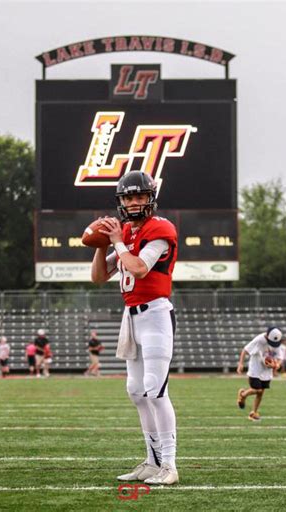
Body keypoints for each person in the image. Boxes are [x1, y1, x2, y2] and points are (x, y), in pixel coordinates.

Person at [91, 171, 179, 485]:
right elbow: (99, 276)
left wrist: (116, 240)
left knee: (155, 388)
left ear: (150, 198)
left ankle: (169, 464)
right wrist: (102, 245)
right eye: (128, 197)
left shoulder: (160, 228)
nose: (133, 202)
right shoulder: (127, 232)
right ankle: (152, 461)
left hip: (155, 314)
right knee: (136, 392)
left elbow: (140, 268)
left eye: (139, 196)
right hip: (132, 316)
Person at [236, 327, 285, 421]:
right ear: (267, 336)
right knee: (257, 390)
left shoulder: (276, 341)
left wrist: (276, 365)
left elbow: (280, 357)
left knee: (261, 392)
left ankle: (253, 413)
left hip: (266, 371)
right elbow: (245, 350)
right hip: (255, 369)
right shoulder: (259, 340)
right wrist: (241, 364)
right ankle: (243, 394)